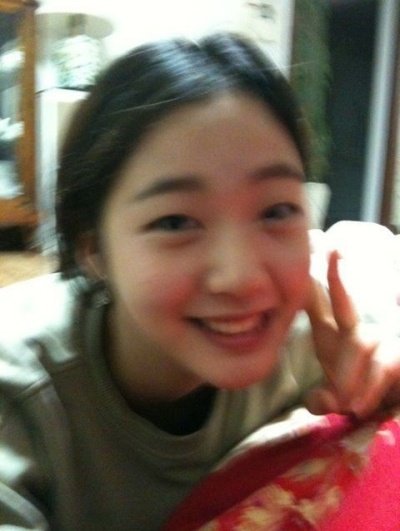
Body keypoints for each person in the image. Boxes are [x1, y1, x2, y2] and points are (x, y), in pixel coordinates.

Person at [0, 31, 399, 531]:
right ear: (93, 248)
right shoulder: (20, 396)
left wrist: (382, 382)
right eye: (175, 222)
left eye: (276, 211)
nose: (241, 278)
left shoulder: (318, 331)